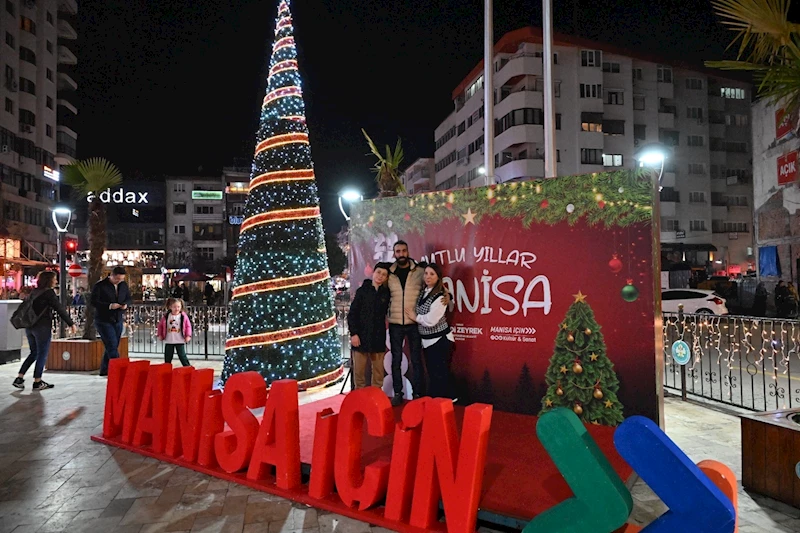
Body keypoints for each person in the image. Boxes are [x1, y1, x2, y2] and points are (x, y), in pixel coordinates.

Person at [12, 271, 76, 390]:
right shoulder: (49, 293)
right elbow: (59, 309)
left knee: (34, 353)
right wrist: (71, 323)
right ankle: (38, 381)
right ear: (49, 280)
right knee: (42, 353)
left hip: (29, 327)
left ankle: (19, 377)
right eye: (54, 279)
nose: (56, 281)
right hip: (42, 327)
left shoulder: (34, 292)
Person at [405, 263, 454, 399]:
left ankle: (445, 402)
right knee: (433, 373)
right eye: (426, 273)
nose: (428, 277)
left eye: (432, 274)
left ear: (438, 277)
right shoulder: (424, 292)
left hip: (440, 340)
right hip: (427, 341)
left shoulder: (440, 297)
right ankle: (437, 403)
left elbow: (431, 320)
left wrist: (416, 317)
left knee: (440, 373)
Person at [387, 240, 425, 406]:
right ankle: (397, 393)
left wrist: (445, 294)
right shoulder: (389, 273)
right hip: (395, 323)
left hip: (414, 323)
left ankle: (418, 393)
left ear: (408, 252)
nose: (401, 254)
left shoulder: (420, 271)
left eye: (403, 251)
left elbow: (433, 285)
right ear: (394, 253)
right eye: (398, 251)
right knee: (396, 360)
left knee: (416, 359)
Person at [347, 263, 391, 390]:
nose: (380, 276)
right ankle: (360, 399)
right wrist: (354, 334)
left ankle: (376, 398)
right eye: (378, 273)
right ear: (373, 273)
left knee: (378, 373)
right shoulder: (362, 291)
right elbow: (352, 314)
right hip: (360, 337)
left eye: (384, 274)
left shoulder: (386, 293)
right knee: (359, 373)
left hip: (378, 337)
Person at [92, 266, 132, 376]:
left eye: (121, 279)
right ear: (111, 275)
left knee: (112, 345)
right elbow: (94, 301)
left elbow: (128, 297)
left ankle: (104, 370)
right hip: (103, 319)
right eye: (117, 279)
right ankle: (120, 370)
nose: (119, 281)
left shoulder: (123, 285)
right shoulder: (100, 286)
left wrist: (125, 304)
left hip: (118, 318)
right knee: (112, 344)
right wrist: (109, 306)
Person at [157, 298, 193, 366]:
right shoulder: (167, 316)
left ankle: (188, 367)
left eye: (178, 307)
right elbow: (160, 326)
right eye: (174, 307)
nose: (177, 309)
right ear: (170, 307)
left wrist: (188, 335)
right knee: (168, 356)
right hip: (169, 340)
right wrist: (160, 335)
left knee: (182, 356)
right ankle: (166, 368)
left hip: (179, 339)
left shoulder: (183, 316)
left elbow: (188, 326)